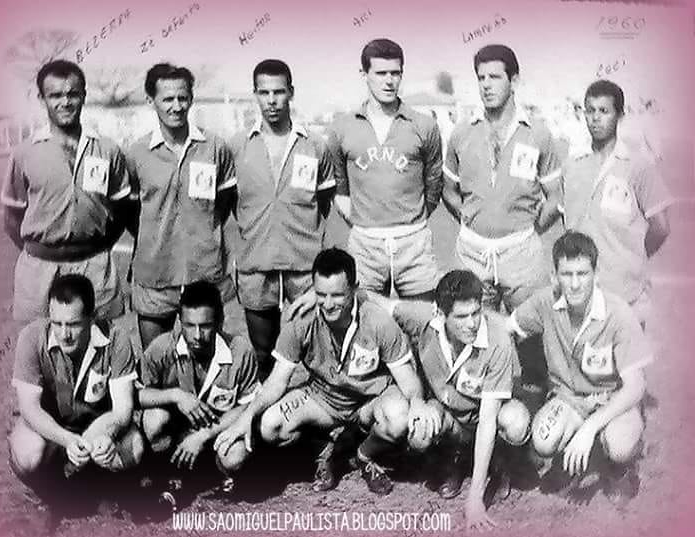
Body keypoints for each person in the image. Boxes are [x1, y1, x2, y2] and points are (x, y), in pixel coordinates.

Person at [214, 248, 439, 496]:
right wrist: (247, 417)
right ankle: (325, 449)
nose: (328, 304)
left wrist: (417, 402)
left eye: (337, 295)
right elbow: (277, 382)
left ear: (354, 288)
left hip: (370, 400)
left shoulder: (377, 321)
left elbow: (407, 379)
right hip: (325, 398)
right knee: (270, 426)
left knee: (398, 418)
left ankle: (364, 455)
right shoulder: (302, 321)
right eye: (321, 295)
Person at [368, 270, 530, 529]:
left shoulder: (497, 339)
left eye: (476, 313)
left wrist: (475, 499)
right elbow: (383, 304)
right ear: (440, 314)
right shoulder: (424, 319)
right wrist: (315, 294)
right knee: (419, 431)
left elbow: (488, 420)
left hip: (487, 415)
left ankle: (500, 462)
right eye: (461, 317)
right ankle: (454, 458)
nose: (472, 324)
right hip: (450, 413)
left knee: (515, 421)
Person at [508, 231, 651, 504]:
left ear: (596, 274)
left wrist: (590, 428)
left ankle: (619, 469)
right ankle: (572, 462)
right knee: (543, 441)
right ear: (554, 276)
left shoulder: (618, 312)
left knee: (620, 444)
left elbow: (636, 386)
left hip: (612, 399)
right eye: (567, 274)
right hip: (569, 399)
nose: (574, 284)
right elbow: (506, 327)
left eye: (582, 274)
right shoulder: (545, 302)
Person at [1, 60, 130, 323]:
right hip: (39, 268)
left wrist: (95, 246)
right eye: (55, 95)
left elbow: (121, 211)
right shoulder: (24, 153)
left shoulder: (108, 150)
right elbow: (12, 218)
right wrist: (42, 250)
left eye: (73, 94)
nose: (65, 102)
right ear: (42, 99)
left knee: (101, 339)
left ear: (84, 95)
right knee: (39, 340)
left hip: (95, 266)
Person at [229, 59, 335, 377]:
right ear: (255, 95)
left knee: (316, 348)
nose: (272, 100)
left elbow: (324, 203)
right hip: (256, 263)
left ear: (291, 92)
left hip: (303, 265)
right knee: (263, 353)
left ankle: (319, 404)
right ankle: (267, 405)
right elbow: (230, 204)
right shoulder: (237, 146)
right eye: (264, 93)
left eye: (278, 92)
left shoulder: (314, 145)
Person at [442, 44, 562, 313]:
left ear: (514, 81)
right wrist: (470, 218)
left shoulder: (537, 134)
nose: (486, 85)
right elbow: (448, 189)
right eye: (481, 78)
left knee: (530, 331)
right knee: (474, 331)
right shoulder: (462, 133)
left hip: (522, 256)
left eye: (495, 77)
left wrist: (531, 230)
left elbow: (556, 196)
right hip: (472, 255)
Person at [126, 63, 237, 350]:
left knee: (209, 358)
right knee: (156, 359)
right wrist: (155, 237)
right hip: (155, 275)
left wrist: (202, 234)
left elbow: (224, 204)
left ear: (191, 98)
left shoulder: (215, 147)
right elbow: (130, 213)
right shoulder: (137, 153)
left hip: (205, 274)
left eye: (182, 98)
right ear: (151, 100)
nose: (176, 107)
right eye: (167, 99)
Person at [8, 274, 143, 505]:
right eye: (57, 323)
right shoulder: (31, 337)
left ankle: (95, 482)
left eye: (73, 324)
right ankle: (50, 487)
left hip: (98, 425)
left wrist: (106, 436)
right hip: (52, 428)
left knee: (135, 448)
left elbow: (123, 409)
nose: (64, 334)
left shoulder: (116, 338)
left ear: (91, 318)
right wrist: (67, 440)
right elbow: (30, 409)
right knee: (28, 452)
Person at [328, 38, 443, 301]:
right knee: (367, 318)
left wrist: (412, 219)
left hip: (414, 243)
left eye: (395, 73)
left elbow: (434, 183)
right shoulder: (342, 127)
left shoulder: (424, 125)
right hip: (365, 246)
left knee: (423, 317)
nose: (389, 81)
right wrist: (362, 222)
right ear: (364, 74)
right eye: (381, 73)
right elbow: (340, 187)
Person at [562, 80, 673, 326]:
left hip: (626, 295)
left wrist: (633, 257)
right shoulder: (572, 165)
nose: (595, 118)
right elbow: (566, 222)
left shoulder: (638, 166)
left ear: (620, 115)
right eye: (590, 111)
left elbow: (661, 227)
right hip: (580, 293)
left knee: (627, 351)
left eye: (604, 111)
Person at [138, 281, 260, 499]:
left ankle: (215, 474)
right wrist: (176, 396)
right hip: (175, 430)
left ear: (220, 321)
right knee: (154, 419)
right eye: (189, 325)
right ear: (179, 321)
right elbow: (138, 395)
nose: (197, 335)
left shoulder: (240, 351)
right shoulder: (161, 348)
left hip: (217, 430)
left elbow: (249, 405)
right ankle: (163, 469)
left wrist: (203, 435)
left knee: (235, 455)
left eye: (205, 326)